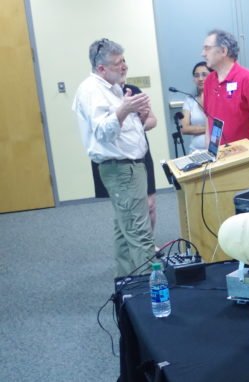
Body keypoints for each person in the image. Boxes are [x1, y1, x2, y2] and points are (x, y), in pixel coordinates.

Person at [73, 38, 156, 277]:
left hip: (131, 167)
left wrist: (138, 114)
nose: (124, 66)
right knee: (139, 233)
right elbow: (103, 132)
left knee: (125, 229)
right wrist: (124, 109)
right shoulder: (92, 91)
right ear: (101, 68)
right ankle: (153, 293)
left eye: (124, 60)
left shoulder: (114, 87)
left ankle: (127, 285)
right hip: (120, 170)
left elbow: (126, 131)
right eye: (118, 63)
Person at [91, 78, 158, 233]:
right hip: (116, 158)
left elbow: (153, 120)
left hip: (140, 153)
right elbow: (101, 129)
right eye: (117, 64)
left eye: (123, 64)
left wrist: (141, 122)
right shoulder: (98, 93)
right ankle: (138, 247)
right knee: (127, 209)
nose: (122, 68)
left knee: (150, 204)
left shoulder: (133, 90)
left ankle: (148, 243)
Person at [201, 29, 249, 146]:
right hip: (220, 157)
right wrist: (209, 150)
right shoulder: (209, 81)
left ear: (223, 50)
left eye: (207, 48)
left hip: (245, 159)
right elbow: (209, 118)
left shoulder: (248, 79)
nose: (203, 54)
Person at [181, 61, 208, 151]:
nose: (200, 78)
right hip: (195, 150)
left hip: (217, 150)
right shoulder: (189, 100)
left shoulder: (219, 98)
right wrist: (209, 129)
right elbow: (184, 128)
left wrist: (196, 129)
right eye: (197, 75)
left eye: (204, 74)